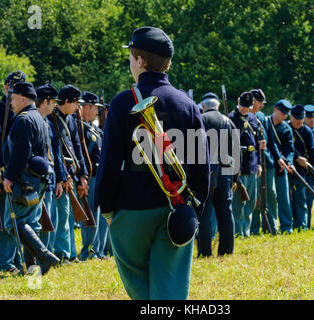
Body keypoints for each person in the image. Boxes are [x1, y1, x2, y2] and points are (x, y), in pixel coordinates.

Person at [95, 26, 210, 300]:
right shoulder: (188, 104)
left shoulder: (123, 103)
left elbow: (109, 163)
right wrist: (195, 208)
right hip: (176, 207)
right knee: (170, 291)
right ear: (167, 63)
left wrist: (107, 209)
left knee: (139, 287)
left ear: (139, 60)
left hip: (131, 210)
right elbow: (201, 165)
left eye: (131, 57)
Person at [2, 82, 60, 275]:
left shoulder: (24, 119)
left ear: (22, 98)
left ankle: (45, 256)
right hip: (36, 180)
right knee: (30, 225)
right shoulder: (39, 119)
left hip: (23, 180)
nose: (10, 102)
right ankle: (32, 272)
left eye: (13, 98)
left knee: (14, 223)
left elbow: (20, 153)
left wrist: (9, 177)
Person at [0, 70, 26, 273]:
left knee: (16, 218)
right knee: (3, 218)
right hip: (0, 171)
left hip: (16, 172)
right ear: (5, 87)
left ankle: (16, 260)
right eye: (12, 86)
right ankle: (3, 263)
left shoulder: (21, 110)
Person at [49, 84, 89, 263]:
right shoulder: (52, 118)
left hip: (71, 173)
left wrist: (82, 174)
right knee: (62, 214)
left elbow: (77, 146)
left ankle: (71, 252)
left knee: (71, 215)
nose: (77, 107)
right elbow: (55, 151)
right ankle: (62, 253)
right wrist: (62, 176)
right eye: (75, 103)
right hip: (61, 174)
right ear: (66, 101)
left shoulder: (71, 119)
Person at [197, 92, 237, 257]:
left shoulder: (200, 120)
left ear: (204, 106)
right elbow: (236, 154)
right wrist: (235, 177)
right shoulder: (229, 122)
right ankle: (226, 251)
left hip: (206, 173)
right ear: (218, 106)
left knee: (204, 214)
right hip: (226, 171)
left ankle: (205, 252)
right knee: (226, 213)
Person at [78, 91, 109, 260]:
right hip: (90, 177)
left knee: (101, 216)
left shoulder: (96, 130)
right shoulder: (80, 128)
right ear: (86, 107)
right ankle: (88, 250)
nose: (95, 111)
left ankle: (99, 250)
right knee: (90, 217)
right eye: (93, 107)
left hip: (100, 176)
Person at [35, 84, 65, 253]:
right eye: (53, 102)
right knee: (39, 220)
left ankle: (49, 252)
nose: (55, 105)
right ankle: (39, 253)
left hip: (52, 178)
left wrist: (60, 179)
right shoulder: (32, 120)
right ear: (45, 102)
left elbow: (57, 154)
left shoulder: (49, 124)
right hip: (38, 176)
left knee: (50, 219)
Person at [228, 92, 262, 238]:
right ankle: (238, 232)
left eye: (247, 107)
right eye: (243, 106)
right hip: (238, 166)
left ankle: (246, 231)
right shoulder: (230, 118)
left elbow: (258, 143)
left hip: (252, 164)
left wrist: (259, 163)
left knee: (251, 201)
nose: (244, 109)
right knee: (237, 203)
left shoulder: (253, 118)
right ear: (238, 101)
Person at [250, 88, 282, 235]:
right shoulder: (243, 116)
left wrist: (279, 159)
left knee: (271, 196)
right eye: (259, 103)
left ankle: (272, 227)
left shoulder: (263, 117)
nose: (262, 106)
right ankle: (254, 229)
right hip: (253, 163)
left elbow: (272, 141)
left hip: (267, 162)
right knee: (255, 198)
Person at [288, 104, 314, 231]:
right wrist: (297, 157)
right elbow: (284, 146)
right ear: (291, 117)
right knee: (288, 202)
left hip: (302, 171)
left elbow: (313, 152)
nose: (298, 121)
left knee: (301, 200)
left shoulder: (307, 131)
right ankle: (289, 227)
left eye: (301, 119)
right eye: (296, 118)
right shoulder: (286, 128)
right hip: (286, 168)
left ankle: (302, 227)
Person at [266, 99, 295, 234]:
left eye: (286, 114)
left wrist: (287, 161)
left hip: (281, 167)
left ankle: (287, 227)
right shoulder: (265, 123)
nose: (284, 116)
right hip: (267, 165)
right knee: (268, 198)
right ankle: (269, 226)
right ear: (275, 109)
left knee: (283, 199)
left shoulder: (286, 129)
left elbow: (290, 149)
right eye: (282, 113)